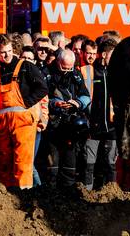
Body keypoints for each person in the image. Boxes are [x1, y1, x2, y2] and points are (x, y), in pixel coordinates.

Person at [0, 34, 48, 190]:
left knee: (22, 162)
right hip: (3, 125)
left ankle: (25, 196)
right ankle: (6, 198)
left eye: (9, 50)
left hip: (23, 123)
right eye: (3, 52)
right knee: (4, 163)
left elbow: (43, 88)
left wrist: (26, 103)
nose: (7, 54)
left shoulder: (26, 66)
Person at [44, 49, 91, 189]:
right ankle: (50, 194)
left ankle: (69, 194)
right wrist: (55, 103)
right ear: (58, 61)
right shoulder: (46, 73)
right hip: (52, 124)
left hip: (70, 125)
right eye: (64, 68)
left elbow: (86, 95)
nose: (66, 71)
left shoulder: (75, 73)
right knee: (52, 166)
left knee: (70, 165)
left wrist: (78, 103)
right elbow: (40, 98)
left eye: (69, 68)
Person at [82, 39, 117, 190]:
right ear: (103, 54)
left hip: (112, 125)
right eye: (112, 55)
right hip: (93, 126)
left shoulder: (117, 72)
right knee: (89, 164)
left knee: (110, 164)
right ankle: (86, 194)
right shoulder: (89, 70)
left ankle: (111, 194)